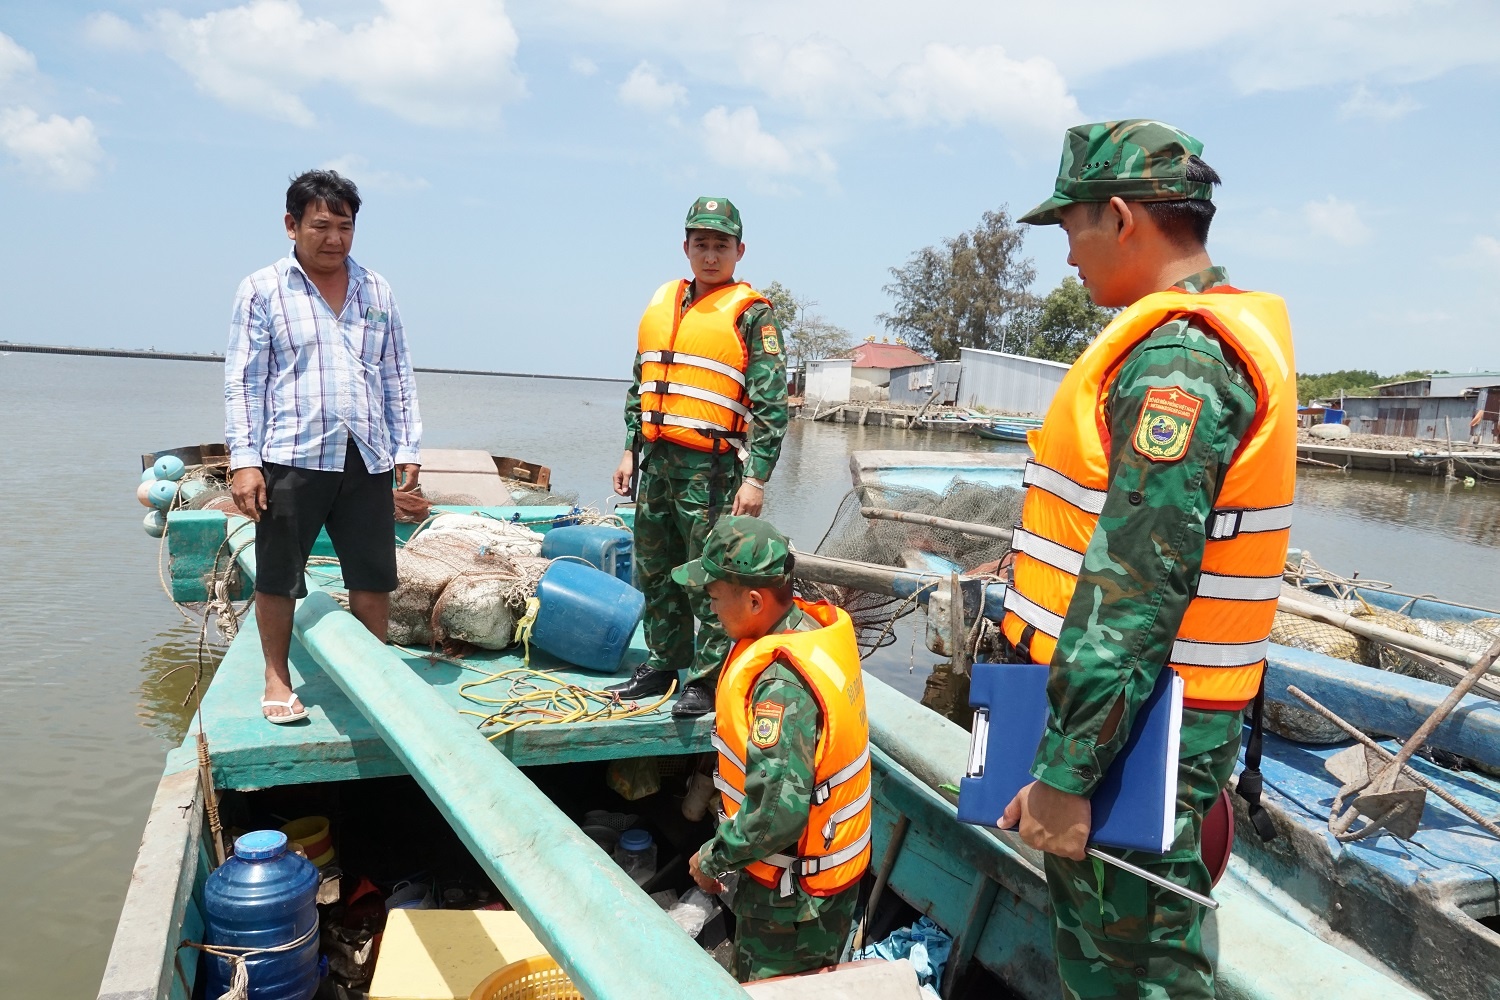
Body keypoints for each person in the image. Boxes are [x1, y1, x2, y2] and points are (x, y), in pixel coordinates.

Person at [996, 120, 1297, 998]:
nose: (1066, 258)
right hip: (1132, 716)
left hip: (1139, 731)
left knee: (1134, 972)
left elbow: (1134, 590)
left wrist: (1064, 773)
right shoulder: (1185, 339)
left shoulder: (1178, 361)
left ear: (1122, 217)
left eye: (1069, 230)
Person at [224, 169, 422, 723]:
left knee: (373, 573)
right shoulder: (263, 289)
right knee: (279, 573)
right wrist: (245, 462)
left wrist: (407, 446)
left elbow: (395, 373)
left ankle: (371, 673)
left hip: (366, 453)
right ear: (292, 225)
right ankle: (276, 675)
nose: (334, 238)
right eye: (320, 225)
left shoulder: (376, 289)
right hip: (291, 454)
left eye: (345, 226)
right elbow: (244, 380)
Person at [608, 198, 789, 718]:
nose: (711, 255)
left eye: (721, 245)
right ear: (686, 248)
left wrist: (755, 479)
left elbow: (772, 406)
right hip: (657, 462)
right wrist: (628, 448)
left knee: (712, 574)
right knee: (655, 568)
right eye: (701, 244)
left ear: (739, 250)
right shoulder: (667, 301)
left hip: (710, 470)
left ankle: (707, 679)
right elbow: (641, 383)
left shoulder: (753, 316)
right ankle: (665, 660)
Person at [677, 516, 871, 982]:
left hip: (794, 905)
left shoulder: (780, 689)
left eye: (715, 595)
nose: (710, 605)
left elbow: (775, 816)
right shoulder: (804, 628)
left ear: (755, 600)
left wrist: (711, 860)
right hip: (822, 881)